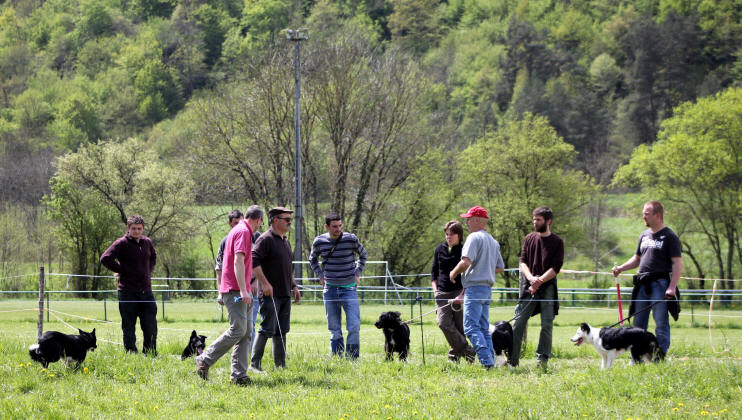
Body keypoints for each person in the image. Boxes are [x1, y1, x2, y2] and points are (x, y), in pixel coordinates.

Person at [613, 201, 682, 358]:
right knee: (638, 325)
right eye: (643, 213)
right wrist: (621, 268)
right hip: (642, 285)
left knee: (661, 323)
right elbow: (637, 259)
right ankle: (636, 358)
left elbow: (677, 263)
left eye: (646, 213)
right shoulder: (644, 235)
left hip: (660, 285)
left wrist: (672, 287)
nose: (643, 216)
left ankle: (659, 357)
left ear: (657, 215)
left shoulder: (670, 236)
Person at [195, 208, 255, 385]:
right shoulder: (243, 232)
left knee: (246, 333)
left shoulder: (240, 232)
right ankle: (205, 359)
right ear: (259, 220)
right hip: (236, 290)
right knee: (238, 329)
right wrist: (241, 290)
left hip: (241, 289)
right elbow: (234, 262)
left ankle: (239, 375)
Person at [449, 206, 505, 369]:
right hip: (487, 290)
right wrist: (484, 269)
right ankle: (490, 360)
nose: (466, 222)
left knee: (471, 328)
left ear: (478, 220)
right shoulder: (493, 241)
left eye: (469, 219)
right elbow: (500, 267)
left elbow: (466, 262)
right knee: (482, 327)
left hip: (474, 289)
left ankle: (486, 362)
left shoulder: (474, 237)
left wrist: (453, 273)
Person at [510, 206, 564, 368]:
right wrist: (531, 279)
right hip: (529, 287)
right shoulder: (529, 238)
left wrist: (539, 281)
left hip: (548, 288)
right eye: (534, 219)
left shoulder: (557, 242)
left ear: (548, 221)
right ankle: (513, 359)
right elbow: (523, 262)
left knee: (546, 323)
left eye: (538, 219)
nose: (535, 222)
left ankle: (542, 359)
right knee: (518, 322)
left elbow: (556, 268)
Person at [309, 211, 368, 358]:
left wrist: (357, 272)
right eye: (334, 226)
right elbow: (313, 259)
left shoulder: (351, 239)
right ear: (327, 226)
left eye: (340, 226)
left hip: (349, 288)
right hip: (330, 289)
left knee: (354, 325)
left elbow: (363, 255)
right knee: (334, 327)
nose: (338, 229)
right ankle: (336, 356)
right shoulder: (319, 241)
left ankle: (353, 357)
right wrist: (320, 275)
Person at [250, 207, 301, 371]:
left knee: (282, 330)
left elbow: (288, 268)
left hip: (285, 294)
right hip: (269, 295)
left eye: (290, 219)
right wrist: (264, 283)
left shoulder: (285, 241)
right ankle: (254, 365)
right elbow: (253, 261)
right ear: (276, 220)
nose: (289, 222)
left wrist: (294, 286)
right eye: (287, 219)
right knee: (267, 328)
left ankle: (280, 366)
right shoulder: (265, 239)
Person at [100, 215, 158, 355]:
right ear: (128, 228)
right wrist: (121, 270)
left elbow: (153, 258)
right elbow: (105, 258)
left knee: (150, 325)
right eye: (134, 228)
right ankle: (131, 353)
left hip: (146, 292)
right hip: (127, 292)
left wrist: (147, 272)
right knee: (128, 326)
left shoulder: (147, 242)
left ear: (143, 228)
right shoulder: (121, 243)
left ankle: (149, 353)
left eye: (139, 228)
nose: (137, 231)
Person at [431, 221, 476, 363]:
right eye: (446, 234)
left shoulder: (464, 251)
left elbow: (469, 274)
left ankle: (454, 357)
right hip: (442, 293)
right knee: (443, 323)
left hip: (459, 292)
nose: (448, 237)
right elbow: (434, 273)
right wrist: (435, 291)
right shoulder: (439, 249)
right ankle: (468, 351)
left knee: (459, 326)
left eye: (452, 234)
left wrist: (463, 293)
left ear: (459, 235)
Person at [215, 209, 244, 306]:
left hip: (251, 289)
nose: (239, 226)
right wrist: (220, 293)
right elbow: (219, 269)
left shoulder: (252, 238)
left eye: (241, 223)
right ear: (230, 223)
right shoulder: (225, 242)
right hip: (232, 290)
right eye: (236, 223)